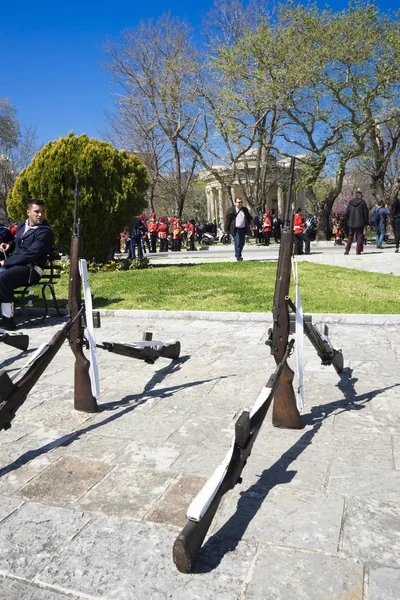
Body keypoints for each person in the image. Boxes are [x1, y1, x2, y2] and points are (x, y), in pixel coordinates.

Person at [0, 199, 54, 330]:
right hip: (17, 267)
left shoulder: (45, 232)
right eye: (37, 211)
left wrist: (5, 262)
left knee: (3, 278)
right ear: (28, 212)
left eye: (42, 212)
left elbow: (31, 255)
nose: (40, 215)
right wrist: (9, 245)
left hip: (32, 269)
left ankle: (8, 321)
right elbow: (17, 242)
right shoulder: (22, 226)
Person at [344, 190, 369, 255]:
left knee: (350, 236)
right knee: (359, 236)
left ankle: (347, 250)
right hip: (360, 222)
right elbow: (365, 213)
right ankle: (358, 250)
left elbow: (346, 213)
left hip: (351, 222)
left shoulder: (350, 202)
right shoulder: (363, 203)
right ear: (360, 196)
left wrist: (348, 220)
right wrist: (366, 223)